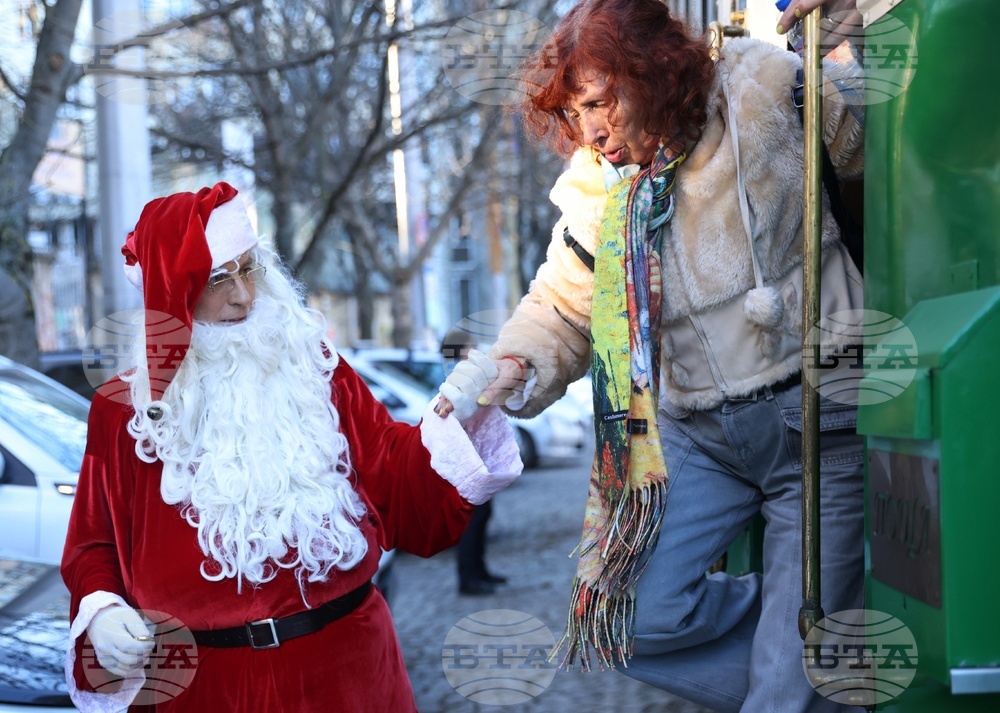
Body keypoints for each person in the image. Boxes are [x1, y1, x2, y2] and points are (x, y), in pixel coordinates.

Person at [437, 0, 865, 711]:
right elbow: (561, 303)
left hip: (815, 421)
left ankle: (801, 660)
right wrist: (504, 369)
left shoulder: (758, 87)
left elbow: (859, 139)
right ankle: (813, 653)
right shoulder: (599, 181)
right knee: (621, 616)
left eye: (600, 102)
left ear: (654, 70)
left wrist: (851, 27)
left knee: (783, 699)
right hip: (700, 436)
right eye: (576, 114)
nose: (591, 129)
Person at [61, 182, 522, 712]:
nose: (244, 296)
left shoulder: (318, 369)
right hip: (205, 689)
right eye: (217, 280)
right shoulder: (124, 412)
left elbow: (393, 476)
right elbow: (91, 544)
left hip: (349, 672)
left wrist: (455, 414)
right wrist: (101, 610)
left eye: (249, 268)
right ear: (174, 295)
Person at [440, 329, 509, 596]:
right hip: (465, 458)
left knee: (482, 515)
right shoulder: (454, 377)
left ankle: (480, 571)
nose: (475, 348)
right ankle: (469, 578)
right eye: (470, 345)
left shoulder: (460, 373)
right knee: (472, 517)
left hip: (476, 454)